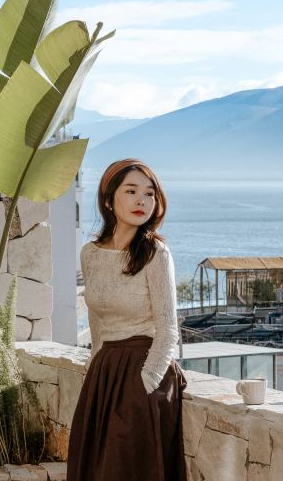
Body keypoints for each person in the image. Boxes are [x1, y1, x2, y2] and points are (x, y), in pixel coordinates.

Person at [66, 158, 187, 481]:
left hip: (144, 370)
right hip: (105, 373)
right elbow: (97, 320)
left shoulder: (156, 254)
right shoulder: (90, 254)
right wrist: (95, 369)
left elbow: (168, 329)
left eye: (149, 194)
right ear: (109, 199)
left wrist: (146, 381)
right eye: (131, 191)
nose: (141, 201)